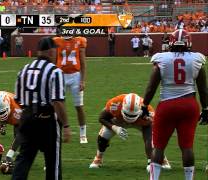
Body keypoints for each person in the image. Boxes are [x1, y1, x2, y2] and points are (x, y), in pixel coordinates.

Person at [142, 29, 207, 180]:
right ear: (188, 42)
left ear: (170, 42)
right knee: (187, 146)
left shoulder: (162, 59)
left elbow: (151, 87)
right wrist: (206, 108)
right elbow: (203, 89)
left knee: (158, 147)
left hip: (167, 105)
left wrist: (145, 105)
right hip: (189, 105)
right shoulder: (197, 59)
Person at [12, 37, 71, 180]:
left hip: (27, 118)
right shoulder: (55, 71)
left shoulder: (24, 69)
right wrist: (66, 125)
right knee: (53, 162)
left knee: (24, 159)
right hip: (47, 120)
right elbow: (57, 102)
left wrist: (30, 111)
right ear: (52, 52)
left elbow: (18, 99)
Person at [89, 93, 171, 171]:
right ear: (122, 107)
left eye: (132, 115)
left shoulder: (148, 111)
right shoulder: (115, 103)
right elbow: (102, 118)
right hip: (119, 120)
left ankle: (161, 158)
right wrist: (114, 128)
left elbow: (150, 135)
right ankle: (98, 158)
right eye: (127, 114)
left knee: (152, 140)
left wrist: (150, 162)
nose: (129, 118)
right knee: (104, 135)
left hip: (140, 122)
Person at [53, 36, 88, 144]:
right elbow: (54, 61)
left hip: (75, 76)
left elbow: (82, 62)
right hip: (61, 75)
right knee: (57, 105)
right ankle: (57, 132)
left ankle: (83, 134)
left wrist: (82, 80)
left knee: (79, 106)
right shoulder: (56, 41)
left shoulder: (79, 41)